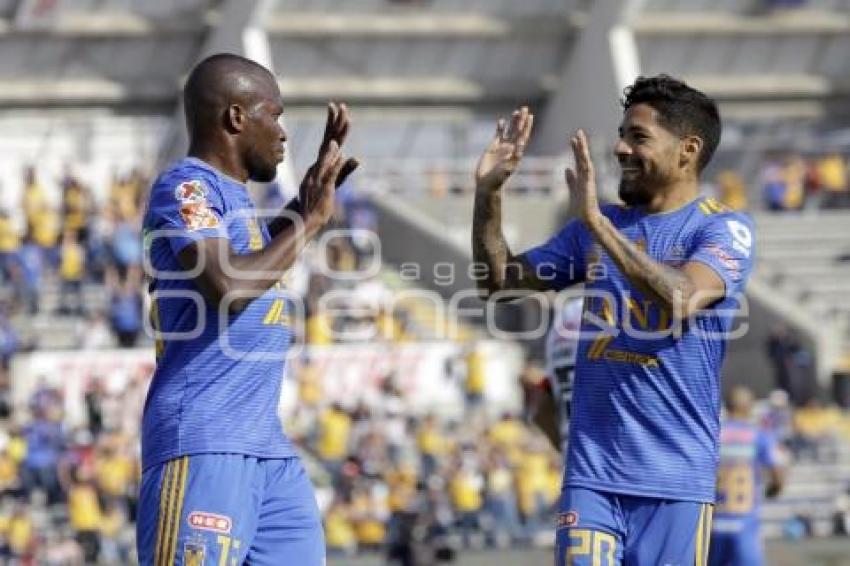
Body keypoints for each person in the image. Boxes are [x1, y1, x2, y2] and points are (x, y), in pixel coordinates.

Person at [472, 75, 755, 565]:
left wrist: (598, 226)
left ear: (688, 149)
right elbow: (499, 284)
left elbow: (682, 297)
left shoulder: (722, 227)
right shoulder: (596, 227)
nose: (621, 148)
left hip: (674, 484)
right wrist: (489, 195)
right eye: (622, 134)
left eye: (638, 137)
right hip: (591, 480)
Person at [137, 53, 358, 566]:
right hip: (204, 439)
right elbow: (228, 283)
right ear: (237, 118)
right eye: (273, 115)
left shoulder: (237, 203)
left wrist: (304, 205)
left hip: (267, 450)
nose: (283, 133)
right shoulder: (185, 187)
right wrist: (310, 224)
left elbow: (252, 261)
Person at [708, 386, 785, 566]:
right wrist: (774, 489)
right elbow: (778, 473)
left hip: (714, 526)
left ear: (727, 406)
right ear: (750, 407)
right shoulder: (759, 435)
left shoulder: (714, 434)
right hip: (745, 525)